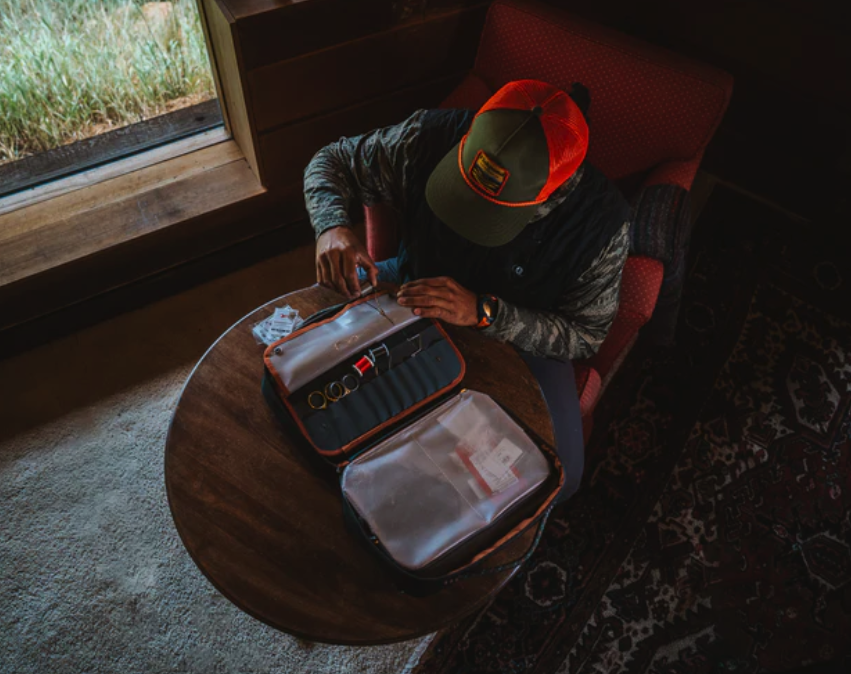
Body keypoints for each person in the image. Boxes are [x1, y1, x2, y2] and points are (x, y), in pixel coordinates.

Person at [303, 79, 630, 502]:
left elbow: (585, 336)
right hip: (410, 285)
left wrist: (485, 312)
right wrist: (331, 226)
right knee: (323, 394)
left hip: (518, 342)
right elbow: (332, 160)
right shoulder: (427, 136)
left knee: (558, 477)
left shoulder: (601, 226)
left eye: (493, 213)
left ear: (552, 191)